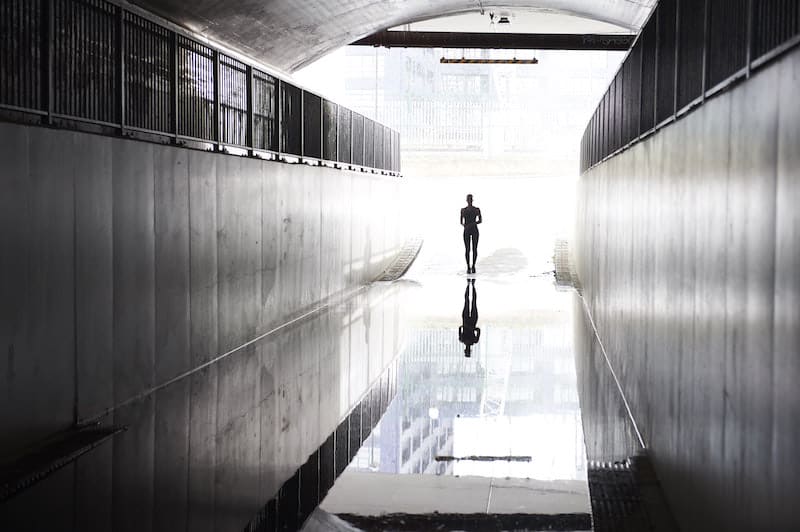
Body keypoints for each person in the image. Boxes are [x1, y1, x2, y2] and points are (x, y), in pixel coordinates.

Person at [460, 194, 482, 274]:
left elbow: (480, 220)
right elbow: (461, 222)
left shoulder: (477, 209)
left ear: (472, 200)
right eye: (468, 199)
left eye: (470, 199)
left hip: (473, 229)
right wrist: (466, 225)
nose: (469, 201)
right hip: (467, 230)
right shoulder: (463, 210)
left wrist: (471, 224)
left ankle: (473, 265)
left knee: (474, 249)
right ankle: (468, 266)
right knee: (467, 249)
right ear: (467, 200)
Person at [458, 279, 480, 357]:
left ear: (465, 350)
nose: (467, 349)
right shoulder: (474, 341)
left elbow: (460, 328)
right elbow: (478, 330)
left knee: (467, 301)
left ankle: (468, 285)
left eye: (466, 351)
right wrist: (471, 328)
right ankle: (472, 286)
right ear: (469, 350)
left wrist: (468, 327)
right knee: (473, 302)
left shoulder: (462, 340)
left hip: (466, 319)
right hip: (472, 320)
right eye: (468, 351)